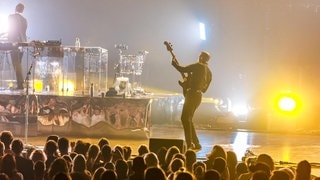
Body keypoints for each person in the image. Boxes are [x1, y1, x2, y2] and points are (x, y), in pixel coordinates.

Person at [171, 51, 212, 150]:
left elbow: (182, 69)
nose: (198, 58)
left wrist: (173, 63)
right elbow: (204, 90)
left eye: (200, 56)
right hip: (198, 97)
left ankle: (189, 144)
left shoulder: (197, 66)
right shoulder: (209, 72)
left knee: (184, 119)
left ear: (201, 57)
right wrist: (189, 83)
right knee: (189, 119)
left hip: (192, 95)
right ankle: (196, 143)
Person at [7, 3, 28, 90]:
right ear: (22, 10)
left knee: (16, 64)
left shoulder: (11, 17)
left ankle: (20, 85)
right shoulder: (24, 19)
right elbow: (23, 32)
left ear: (16, 8)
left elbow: (11, 31)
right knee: (18, 64)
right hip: (22, 44)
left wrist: (8, 39)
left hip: (14, 44)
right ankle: (20, 84)